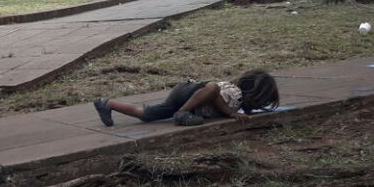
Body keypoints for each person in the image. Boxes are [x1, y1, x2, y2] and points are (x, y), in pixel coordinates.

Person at [94, 69, 279, 127]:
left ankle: (107, 104)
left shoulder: (235, 100)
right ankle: (181, 113)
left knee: (146, 114)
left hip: (182, 94)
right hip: (190, 92)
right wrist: (230, 114)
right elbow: (213, 92)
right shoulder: (235, 93)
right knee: (212, 86)